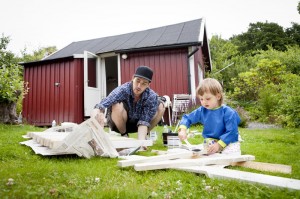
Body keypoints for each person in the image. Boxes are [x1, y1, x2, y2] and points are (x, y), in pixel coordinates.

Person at [90, 66, 165, 141]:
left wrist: (141, 142)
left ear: (148, 85)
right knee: (117, 104)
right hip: (118, 124)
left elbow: (144, 121)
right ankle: (124, 135)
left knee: (161, 106)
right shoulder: (123, 90)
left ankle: (144, 136)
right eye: (137, 81)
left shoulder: (151, 96)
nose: (139, 86)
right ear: (133, 79)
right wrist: (96, 115)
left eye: (144, 83)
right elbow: (101, 105)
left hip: (138, 124)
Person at [178, 78, 241, 155]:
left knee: (229, 155)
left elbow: (232, 132)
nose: (204, 102)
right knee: (207, 155)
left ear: (218, 96)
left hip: (229, 141)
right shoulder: (202, 110)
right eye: (201, 99)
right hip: (212, 140)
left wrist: (219, 145)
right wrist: (183, 130)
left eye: (208, 98)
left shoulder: (229, 112)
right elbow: (187, 118)